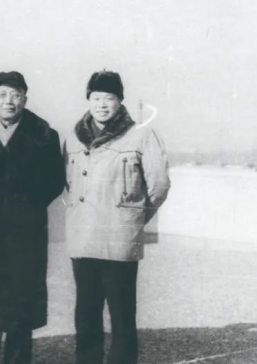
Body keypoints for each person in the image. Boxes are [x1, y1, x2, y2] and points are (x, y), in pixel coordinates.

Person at [63, 70, 170, 364]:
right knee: (86, 313)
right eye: (96, 98)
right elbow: (69, 183)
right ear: (89, 100)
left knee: (122, 315)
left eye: (109, 98)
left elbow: (159, 185)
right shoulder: (73, 138)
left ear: (120, 101)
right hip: (84, 238)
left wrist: (132, 219)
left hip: (119, 240)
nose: (101, 104)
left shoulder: (141, 135)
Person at [0, 71, 65, 364]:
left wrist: (24, 205)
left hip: (25, 232)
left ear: (25, 99)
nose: (9, 101)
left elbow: (54, 182)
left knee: (21, 307)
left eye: (15, 95)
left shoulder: (43, 134)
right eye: (2, 95)